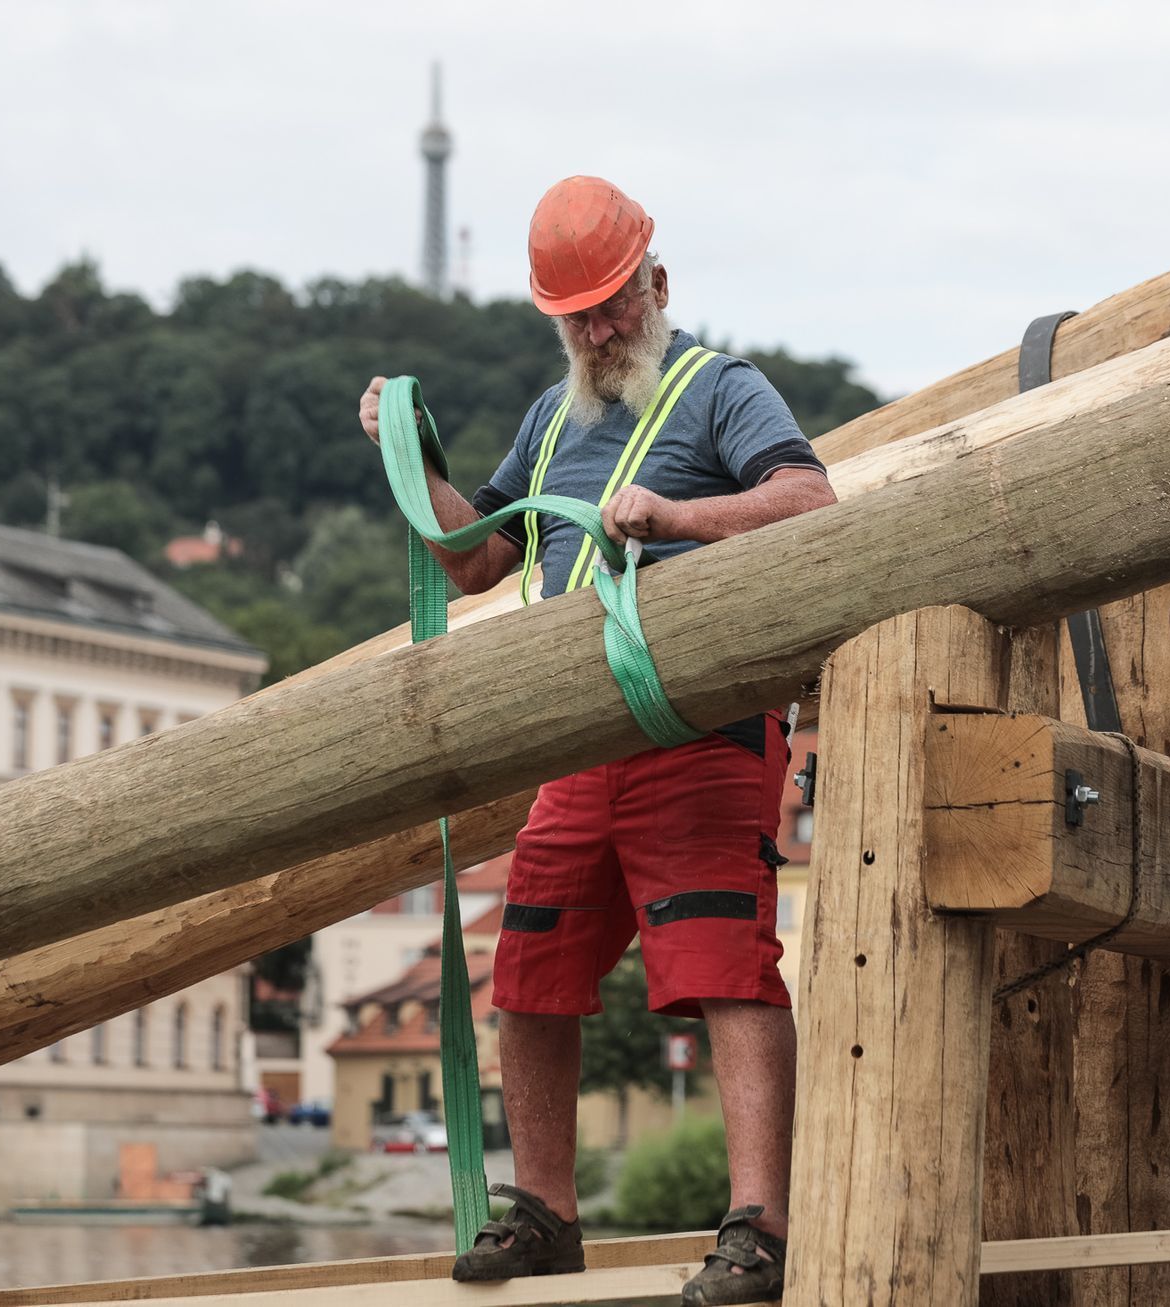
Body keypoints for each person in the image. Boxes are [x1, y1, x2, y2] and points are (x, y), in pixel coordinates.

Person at [360, 175, 835, 1306]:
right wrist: (405, 461)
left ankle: (760, 1226)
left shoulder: (721, 390)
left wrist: (676, 519)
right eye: (576, 314)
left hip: (700, 726)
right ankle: (544, 1213)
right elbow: (475, 559)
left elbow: (812, 502)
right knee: (528, 964)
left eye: (613, 303)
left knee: (724, 963)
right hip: (581, 739)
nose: (598, 328)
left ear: (656, 285)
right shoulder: (550, 416)